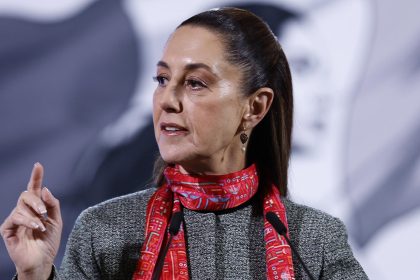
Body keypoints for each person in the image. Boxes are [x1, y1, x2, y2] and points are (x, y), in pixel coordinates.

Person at [0, 7, 368, 280]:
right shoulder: (104, 229)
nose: (167, 100)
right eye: (162, 80)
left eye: (195, 82)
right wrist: (35, 273)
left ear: (256, 106)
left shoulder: (315, 241)